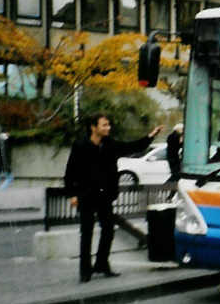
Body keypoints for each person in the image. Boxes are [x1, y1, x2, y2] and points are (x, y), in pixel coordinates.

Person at [64, 113, 163, 283]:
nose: (108, 128)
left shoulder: (110, 144)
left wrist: (150, 136)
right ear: (93, 127)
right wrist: (72, 194)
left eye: (108, 124)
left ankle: (102, 264)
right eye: (104, 125)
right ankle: (85, 270)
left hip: (105, 195)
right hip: (86, 195)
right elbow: (70, 172)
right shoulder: (80, 146)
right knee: (86, 233)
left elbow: (131, 147)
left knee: (108, 230)